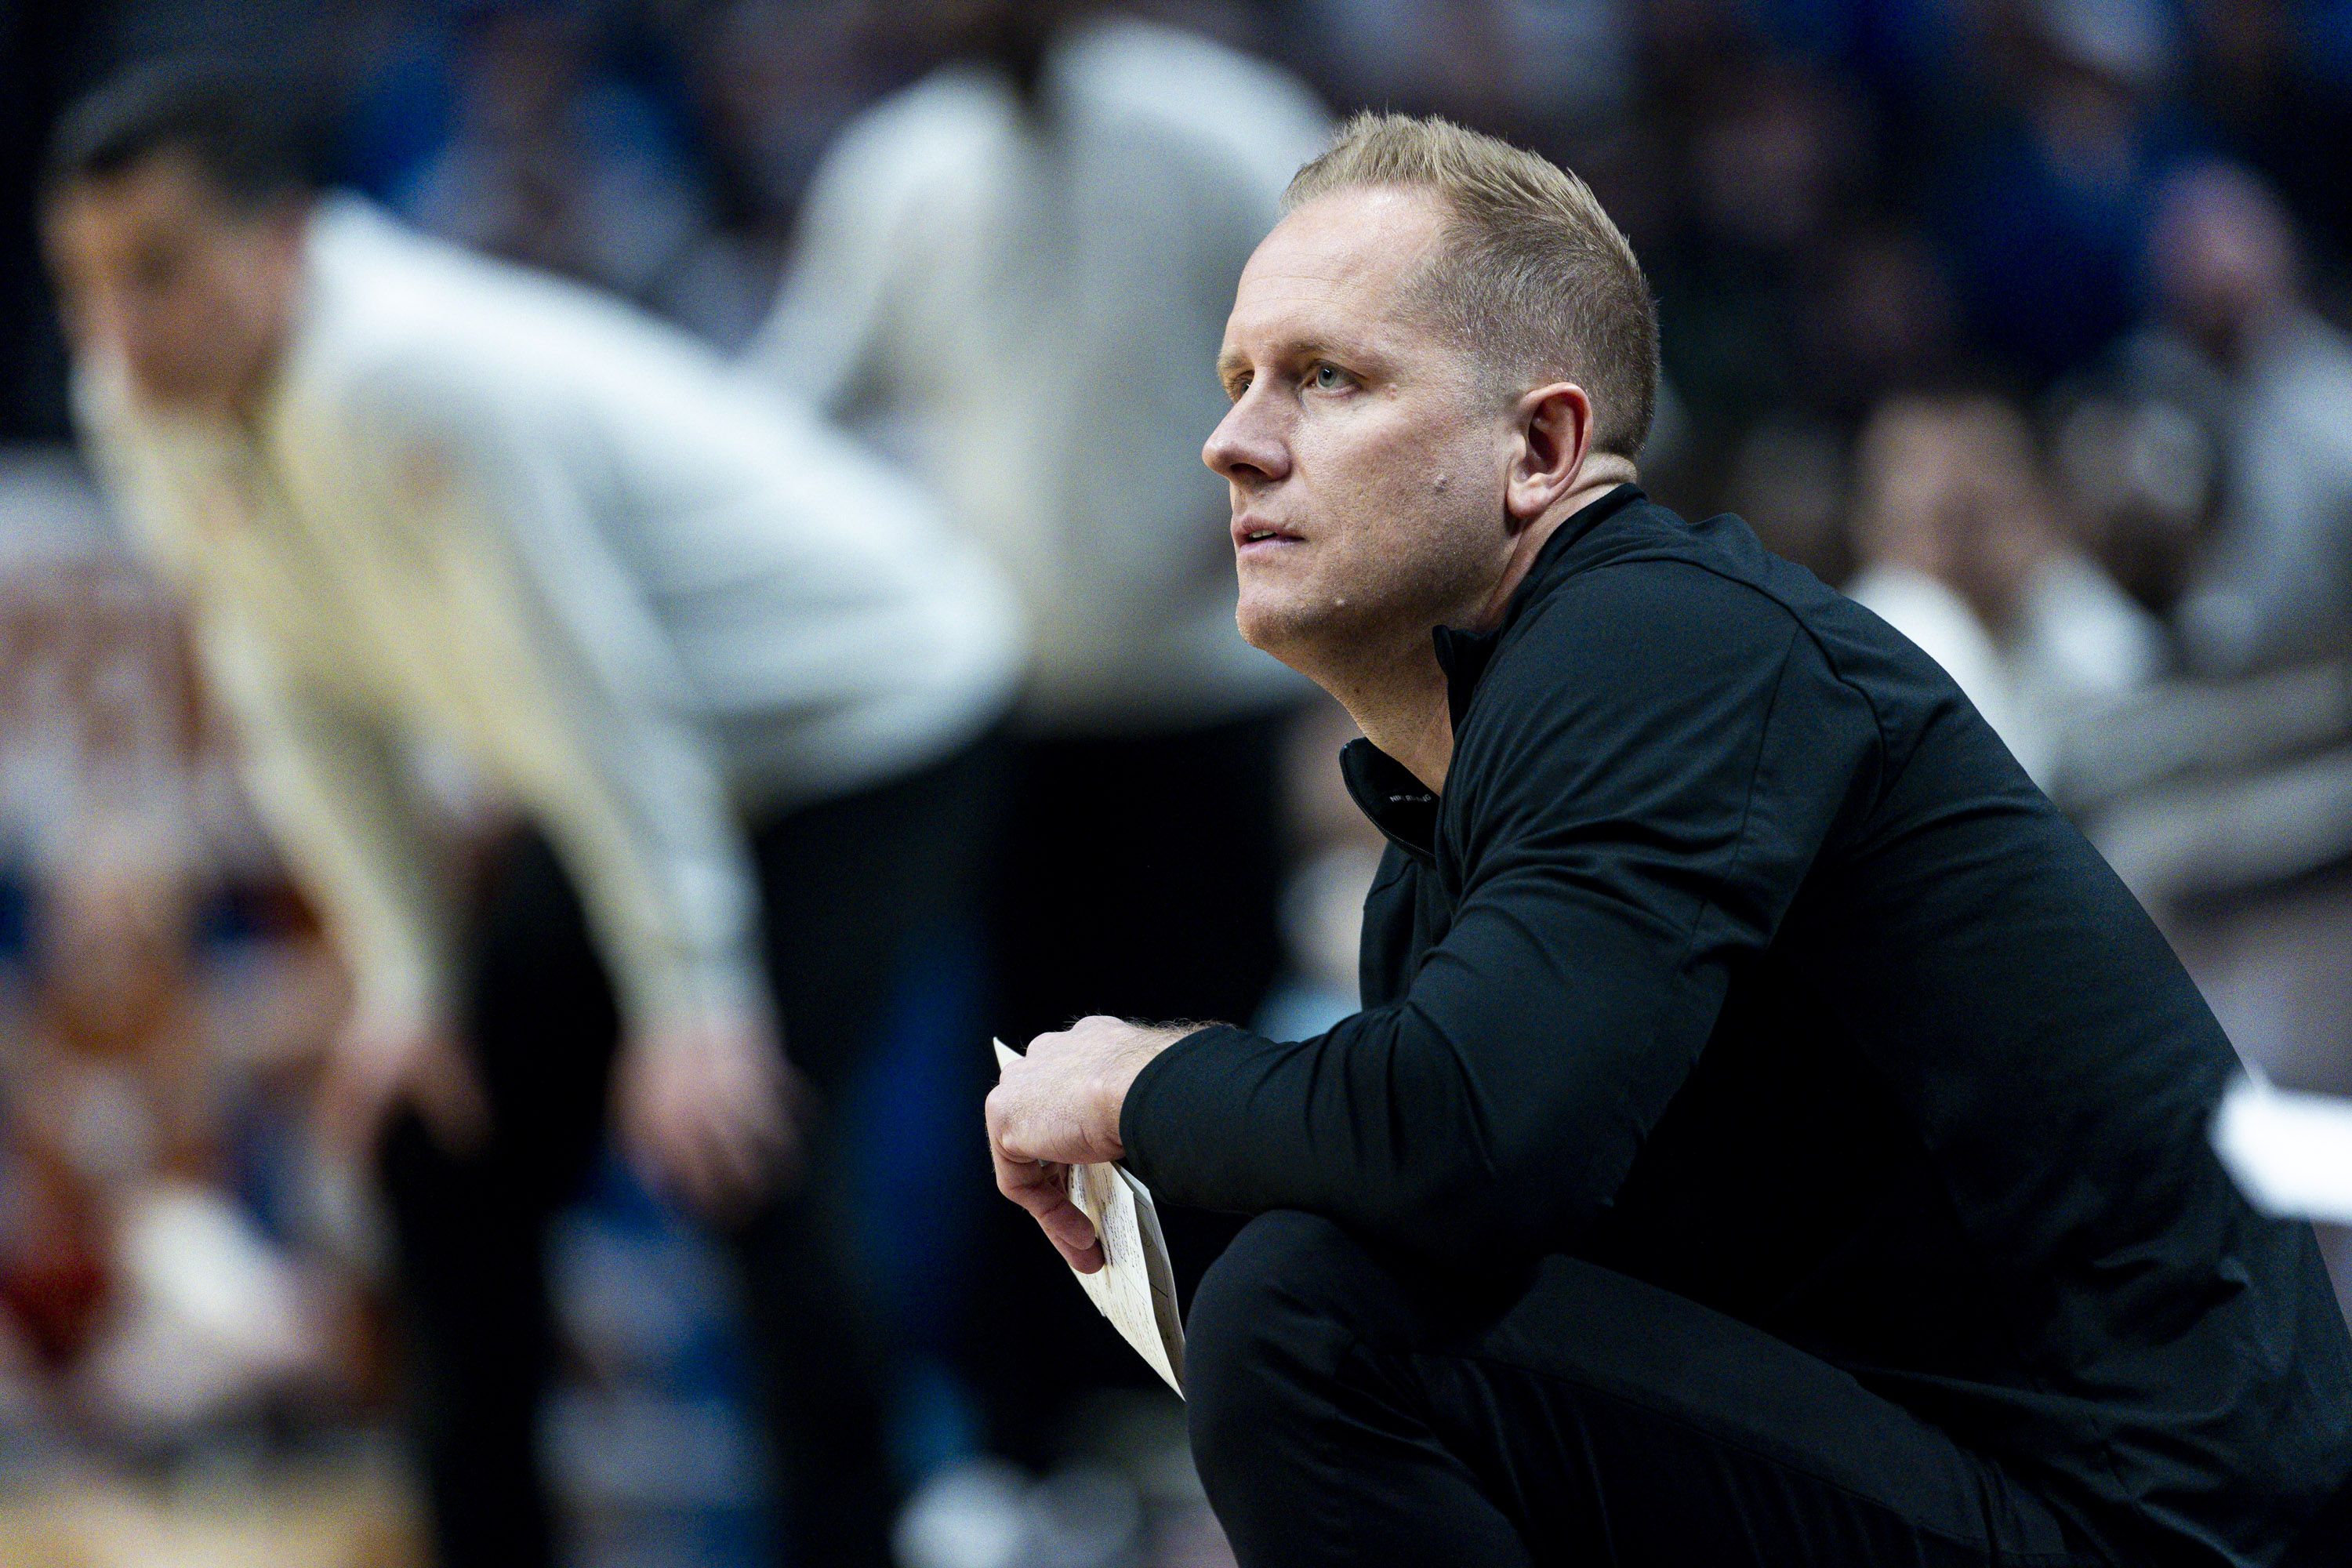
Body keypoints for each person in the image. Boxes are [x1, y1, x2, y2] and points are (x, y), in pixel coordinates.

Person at [985, 114, 2352, 1566]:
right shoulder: (1444, 844)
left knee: (1312, 1322)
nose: (1233, 440)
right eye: (1238, 379)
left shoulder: (1661, 641)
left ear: (1543, 446)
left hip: (2152, 1529)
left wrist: (1146, 1079)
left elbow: (1465, 1140)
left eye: (1326, 379)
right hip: (1963, 1486)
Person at [44, 61, 1024, 1568]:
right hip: (654, 756)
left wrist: (693, 1004)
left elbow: (595, 703)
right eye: (85, 284)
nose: (116, 331)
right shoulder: (143, 399)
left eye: (159, 272)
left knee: (745, 1139)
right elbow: (295, 700)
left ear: (285, 242)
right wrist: (410, 983)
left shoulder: (408, 379)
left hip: (870, 710)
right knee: (441, 1140)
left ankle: (855, 1541)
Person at [749, 0, 1327, 1454]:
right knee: (1015, 1093)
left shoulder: (1223, 129)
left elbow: (1356, 345)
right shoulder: (903, 168)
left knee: (1211, 1069)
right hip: (999, 713)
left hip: (1199, 697)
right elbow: (799, 408)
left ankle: (1221, 1442)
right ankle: (1028, 1453)